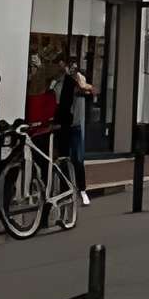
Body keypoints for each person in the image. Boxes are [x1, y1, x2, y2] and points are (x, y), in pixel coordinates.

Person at [54, 55, 94, 208]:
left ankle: (82, 190)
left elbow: (86, 89)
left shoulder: (79, 80)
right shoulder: (58, 84)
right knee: (63, 159)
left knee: (78, 159)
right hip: (63, 126)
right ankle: (65, 191)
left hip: (75, 125)